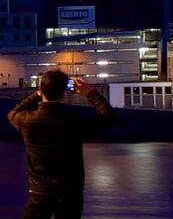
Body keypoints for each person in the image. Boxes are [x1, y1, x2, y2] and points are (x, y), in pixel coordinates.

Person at [7, 70, 117, 219]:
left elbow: (13, 112)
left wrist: (37, 93)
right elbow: (108, 116)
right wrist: (90, 93)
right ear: (63, 94)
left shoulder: (26, 121)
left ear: (41, 90)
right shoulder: (74, 121)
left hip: (39, 192)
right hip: (70, 191)